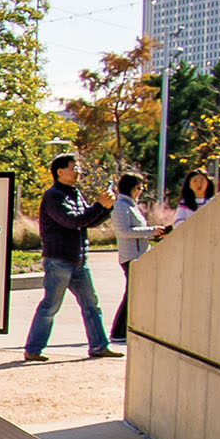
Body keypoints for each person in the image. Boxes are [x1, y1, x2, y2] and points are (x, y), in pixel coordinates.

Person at [24, 152, 117, 362]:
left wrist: (104, 208)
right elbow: (72, 221)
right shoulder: (54, 196)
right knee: (50, 306)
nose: (78, 171)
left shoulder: (74, 194)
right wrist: (100, 206)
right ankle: (33, 349)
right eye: (74, 167)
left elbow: (87, 221)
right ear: (60, 172)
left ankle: (99, 346)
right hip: (59, 260)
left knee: (91, 304)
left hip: (78, 260)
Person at [108, 173, 158, 343]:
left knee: (134, 293)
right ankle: (118, 331)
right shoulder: (121, 206)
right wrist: (152, 231)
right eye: (139, 187)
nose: (141, 191)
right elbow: (124, 231)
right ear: (130, 187)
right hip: (131, 256)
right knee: (131, 294)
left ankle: (125, 329)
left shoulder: (131, 206)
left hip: (139, 254)